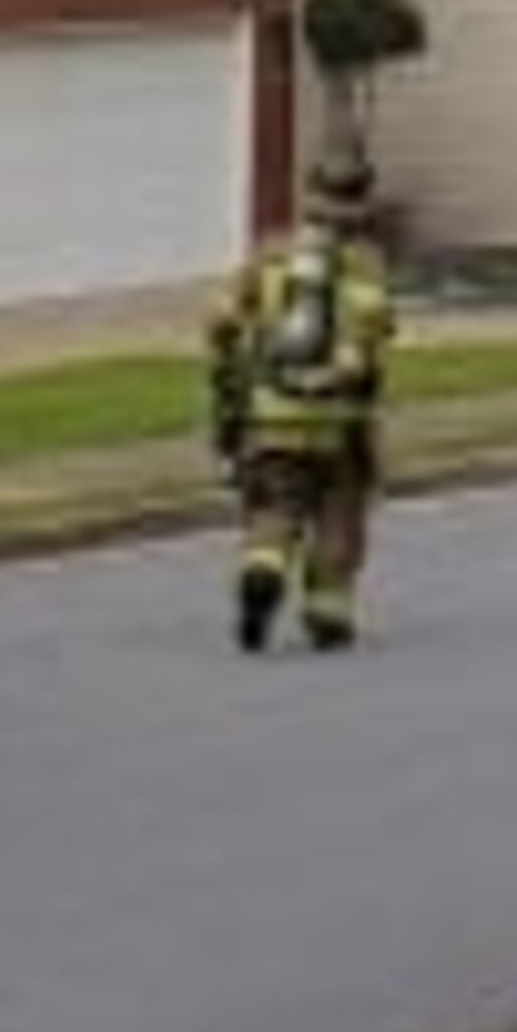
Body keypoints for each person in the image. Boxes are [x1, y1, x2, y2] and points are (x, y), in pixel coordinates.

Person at [207, 145, 395, 652]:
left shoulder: (270, 253)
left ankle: (263, 569)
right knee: (339, 519)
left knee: (274, 507)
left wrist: (233, 383)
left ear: (308, 195)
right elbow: (376, 335)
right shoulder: (366, 264)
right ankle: (327, 611)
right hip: (340, 423)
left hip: (272, 415)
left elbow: (221, 321)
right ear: (363, 201)